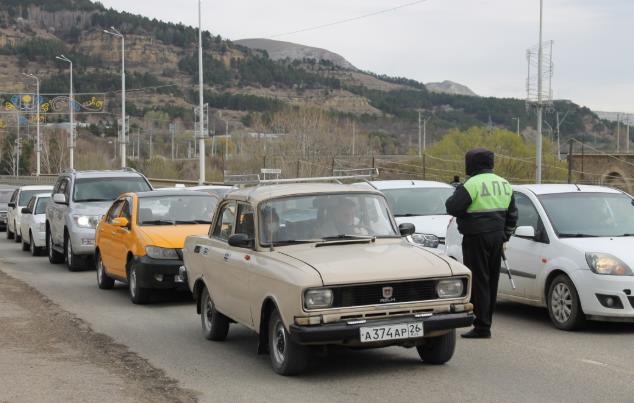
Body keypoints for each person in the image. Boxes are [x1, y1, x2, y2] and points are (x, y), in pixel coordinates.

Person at [445, 148, 518, 339]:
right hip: (497, 237)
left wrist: (458, 191)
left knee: (479, 281)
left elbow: (452, 207)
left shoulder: (472, 184)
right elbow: (513, 215)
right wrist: (505, 236)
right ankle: (487, 321)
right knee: (491, 280)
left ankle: (482, 326)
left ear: (472, 164)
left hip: (476, 237)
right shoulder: (504, 184)